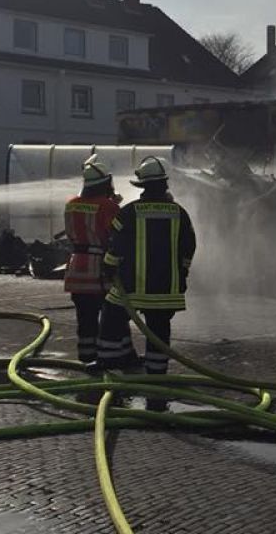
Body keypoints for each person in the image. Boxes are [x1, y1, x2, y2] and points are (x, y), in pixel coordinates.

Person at [99, 156, 196, 411]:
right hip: (166, 289)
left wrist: (108, 266)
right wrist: (182, 274)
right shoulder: (180, 213)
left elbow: (116, 244)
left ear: (142, 186)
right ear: (164, 184)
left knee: (111, 318)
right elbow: (189, 247)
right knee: (159, 331)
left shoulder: (129, 212)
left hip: (130, 287)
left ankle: (113, 367)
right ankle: (157, 374)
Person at [63, 155, 121, 365]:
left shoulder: (71, 204)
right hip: (99, 269)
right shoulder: (108, 206)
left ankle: (86, 355)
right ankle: (108, 357)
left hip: (76, 266)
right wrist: (114, 204)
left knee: (84, 316)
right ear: (105, 182)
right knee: (110, 316)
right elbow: (115, 235)